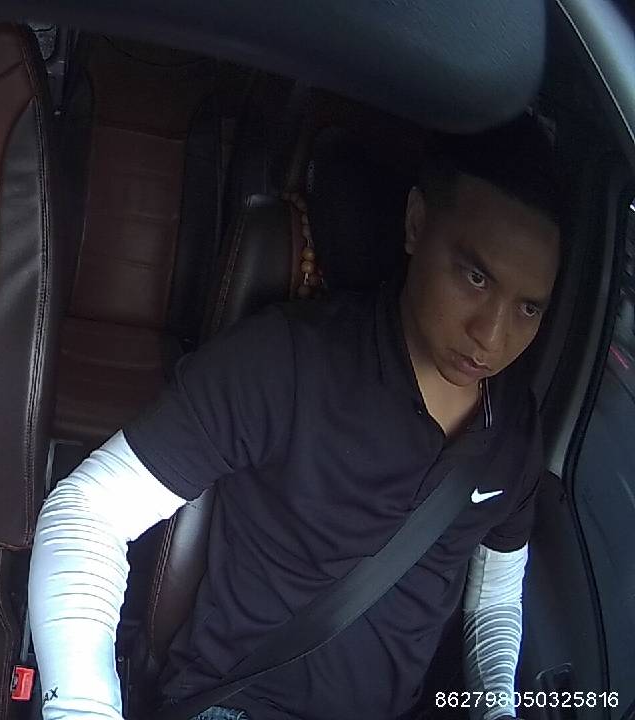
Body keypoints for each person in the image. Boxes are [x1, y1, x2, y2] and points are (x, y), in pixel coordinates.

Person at [28, 115, 561, 720]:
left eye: (527, 308)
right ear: (417, 223)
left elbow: (494, 599)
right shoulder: (289, 361)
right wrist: (83, 707)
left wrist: (498, 706)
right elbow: (86, 513)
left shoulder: (513, 431)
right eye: (475, 277)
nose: (491, 336)